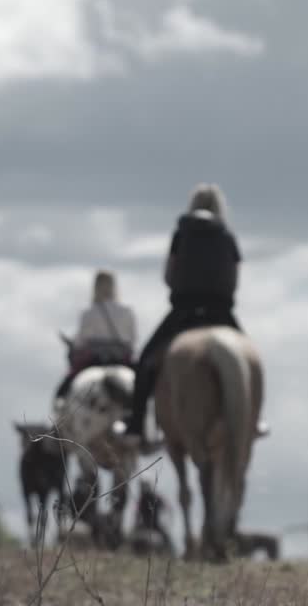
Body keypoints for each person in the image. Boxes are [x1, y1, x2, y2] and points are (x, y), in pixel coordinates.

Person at [115, 183, 269, 448]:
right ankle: (254, 420)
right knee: (252, 364)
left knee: (145, 363)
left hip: (184, 311)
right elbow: (234, 279)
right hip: (221, 311)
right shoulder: (227, 236)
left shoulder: (181, 234)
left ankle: (136, 425)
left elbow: (168, 276)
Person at [54, 270, 137, 406]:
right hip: (122, 359)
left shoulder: (89, 312)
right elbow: (132, 340)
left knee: (64, 389)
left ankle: (59, 408)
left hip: (93, 360)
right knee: (144, 385)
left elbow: (81, 342)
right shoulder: (127, 312)